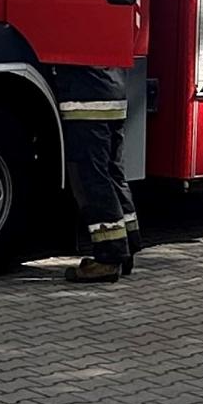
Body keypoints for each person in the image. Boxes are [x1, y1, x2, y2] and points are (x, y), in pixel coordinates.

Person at [53, 66, 142, 283]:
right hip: (112, 91)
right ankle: (126, 248)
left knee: (92, 179)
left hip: (86, 98)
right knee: (113, 175)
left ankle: (109, 258)